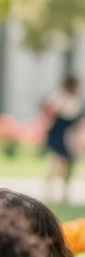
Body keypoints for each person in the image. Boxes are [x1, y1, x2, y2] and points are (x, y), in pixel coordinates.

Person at [43, 75, 83, 204]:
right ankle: (50, 189)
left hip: (68, 134)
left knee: (65, 162)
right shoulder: (62, 97)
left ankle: (63, 191)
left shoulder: (70, 98)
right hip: (61, 133)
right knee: (59, 160)